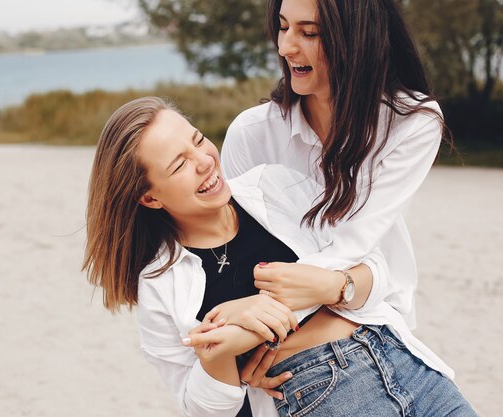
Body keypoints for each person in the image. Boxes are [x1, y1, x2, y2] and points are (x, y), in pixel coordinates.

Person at [83, 96, 476, 417]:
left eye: (198, 140)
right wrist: (219, 350)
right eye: (180, 164)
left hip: (403, 361)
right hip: (321, 395)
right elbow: (205, 408)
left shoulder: (273, 185)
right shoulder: (160, 284)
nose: (204, 160)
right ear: (149, 197)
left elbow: (376, 271)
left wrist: (330, 286)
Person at [221, 0, 449, 345]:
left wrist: (332, 291)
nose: (285, 47)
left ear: (357, 38)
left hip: (374, 324)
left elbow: (353, 244)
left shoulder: (411, 124)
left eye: (308, 32)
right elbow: (228, 251)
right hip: (272, 335)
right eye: (283, 27)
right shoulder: (252, 133)